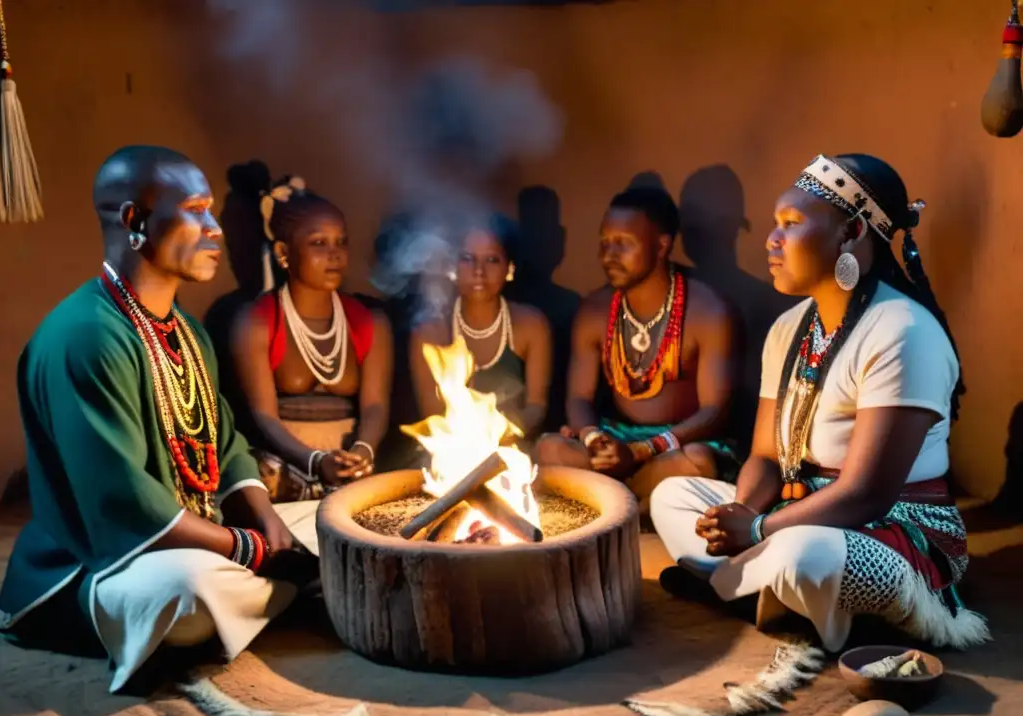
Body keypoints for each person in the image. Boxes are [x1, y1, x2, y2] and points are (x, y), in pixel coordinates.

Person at [0, 146, 321, 694]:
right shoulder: (87, 335)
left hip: (202, 531)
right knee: (190, 589)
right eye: (196, 209)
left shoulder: (187, 332)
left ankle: (286, 586)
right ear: (135, 220)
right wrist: (248, 549)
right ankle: (296, 591)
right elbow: (121, 502)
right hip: (101, 566)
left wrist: (265, 524)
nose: (215, 229)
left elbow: (226, 443)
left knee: (326, 520)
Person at [650, 153, 990, 652]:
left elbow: (866, 494)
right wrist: (740, 513)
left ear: (850, 234)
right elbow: (766, 455)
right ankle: (767, 591)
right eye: (774, 224)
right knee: (673, 497)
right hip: (792, 509)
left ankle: (737, 585)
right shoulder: (790, 328)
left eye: (790, 223)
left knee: (804, 554)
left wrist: (758, 528)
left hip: (889, 530)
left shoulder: (903, 331)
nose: (771, 239)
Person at [535, 186, 740, 510]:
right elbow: (579, 397)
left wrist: (642, 451)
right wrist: (592, 438)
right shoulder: (595, 310)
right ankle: (634, 502)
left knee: (698, 462)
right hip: (615, 440)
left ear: (661, 245)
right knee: (549, 449)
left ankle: (613, 503)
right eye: (604, 242)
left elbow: (715, 411)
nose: (608, 255)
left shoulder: (709, 310)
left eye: (623, 244)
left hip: (677, 444)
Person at [230, 177, 393, 502]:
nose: (334, 254)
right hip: (284, 470)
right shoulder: (258, 321)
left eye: (341, 242)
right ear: (283, 252)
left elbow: (375, 405)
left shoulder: (368, 321)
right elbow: (264, 416)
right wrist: (315, 461)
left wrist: (363, 450)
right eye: (319, 243)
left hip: (349, 469)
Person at [409, 213, 552, 442]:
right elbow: (432, 413)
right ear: (453, 267)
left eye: (492, 260)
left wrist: (502, 434)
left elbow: (536, 406)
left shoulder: (531, 325)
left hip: (513, 449)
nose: (478, 271)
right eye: (467, 258)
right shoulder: (430, 332)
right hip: (449, 451)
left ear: (510, 269)